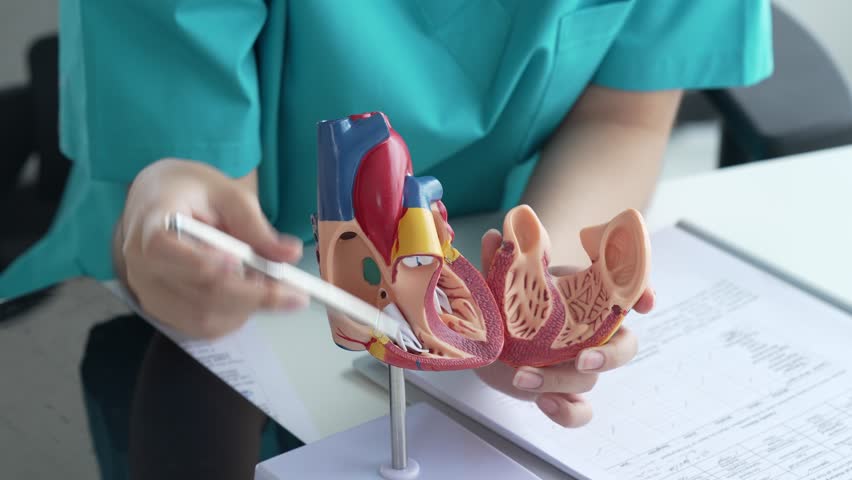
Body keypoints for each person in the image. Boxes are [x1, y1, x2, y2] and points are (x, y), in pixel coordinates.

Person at [0, 0, 772, 475]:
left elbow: (624, 114)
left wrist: (537, 295)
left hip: (484, 235)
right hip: (240, 289)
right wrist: (183, 244)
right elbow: (192, 172)